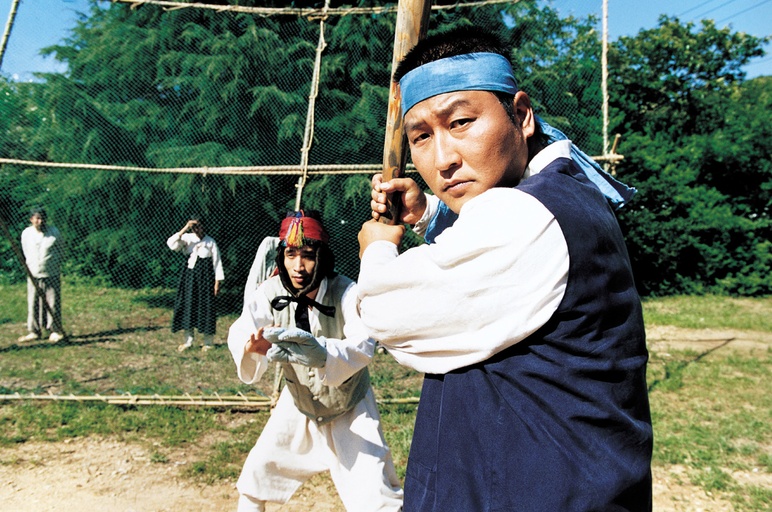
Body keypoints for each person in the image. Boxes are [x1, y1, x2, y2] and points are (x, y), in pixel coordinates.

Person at [357, 28, 652, 511]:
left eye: (461, 122)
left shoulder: (528, 216)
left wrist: (376, 249)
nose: (443, 159)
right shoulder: (562, 193)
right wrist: (429, 214)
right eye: (421, 137)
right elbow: (488, 242)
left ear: (521, 114)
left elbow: (387, 311)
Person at [227, 210, 403, 512]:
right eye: (291, 255)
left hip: (350, 404)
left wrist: (323, 353)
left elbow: (363, 344)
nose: (298, 266)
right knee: (256, 477)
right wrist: (250, 346)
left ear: (321, 256)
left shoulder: (346, 291)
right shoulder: (270, 292)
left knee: (376, 496)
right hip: (299, 402)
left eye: (308, 255)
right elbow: (243, 328)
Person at [166, 216, 224, 352]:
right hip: (189, 277)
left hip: (206, 279)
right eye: (194, 227)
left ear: (204, 226)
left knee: (206, 307)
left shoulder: (210, 242)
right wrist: (185, 228)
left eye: (198, 226)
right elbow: (171, 244)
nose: (196, 230)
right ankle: (188, 341)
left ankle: (208, 342)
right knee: (188, 306)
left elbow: (217, 263)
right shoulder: (187, 238)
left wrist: (217, 283)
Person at [18, 207, 65, 343]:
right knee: (33, 303)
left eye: (42, 218)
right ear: (31, 219)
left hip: (51, 273)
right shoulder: (26, 233)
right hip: (33, 273)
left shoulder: (54, 232)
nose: (40, 221)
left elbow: (61, 249)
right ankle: (34, 331)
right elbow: (25, 250)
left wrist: (54, 264)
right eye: (37, 218)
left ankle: (54, 330)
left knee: (52, 302)